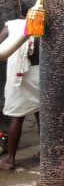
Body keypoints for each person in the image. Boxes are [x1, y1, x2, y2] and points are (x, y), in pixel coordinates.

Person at [0, 20, 40, 170]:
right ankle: (48, 154)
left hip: (20, 77)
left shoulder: (12, 26)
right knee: (41, 116)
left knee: (17, 118)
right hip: (40, 74)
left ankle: (10, 159)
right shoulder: (42, 24)